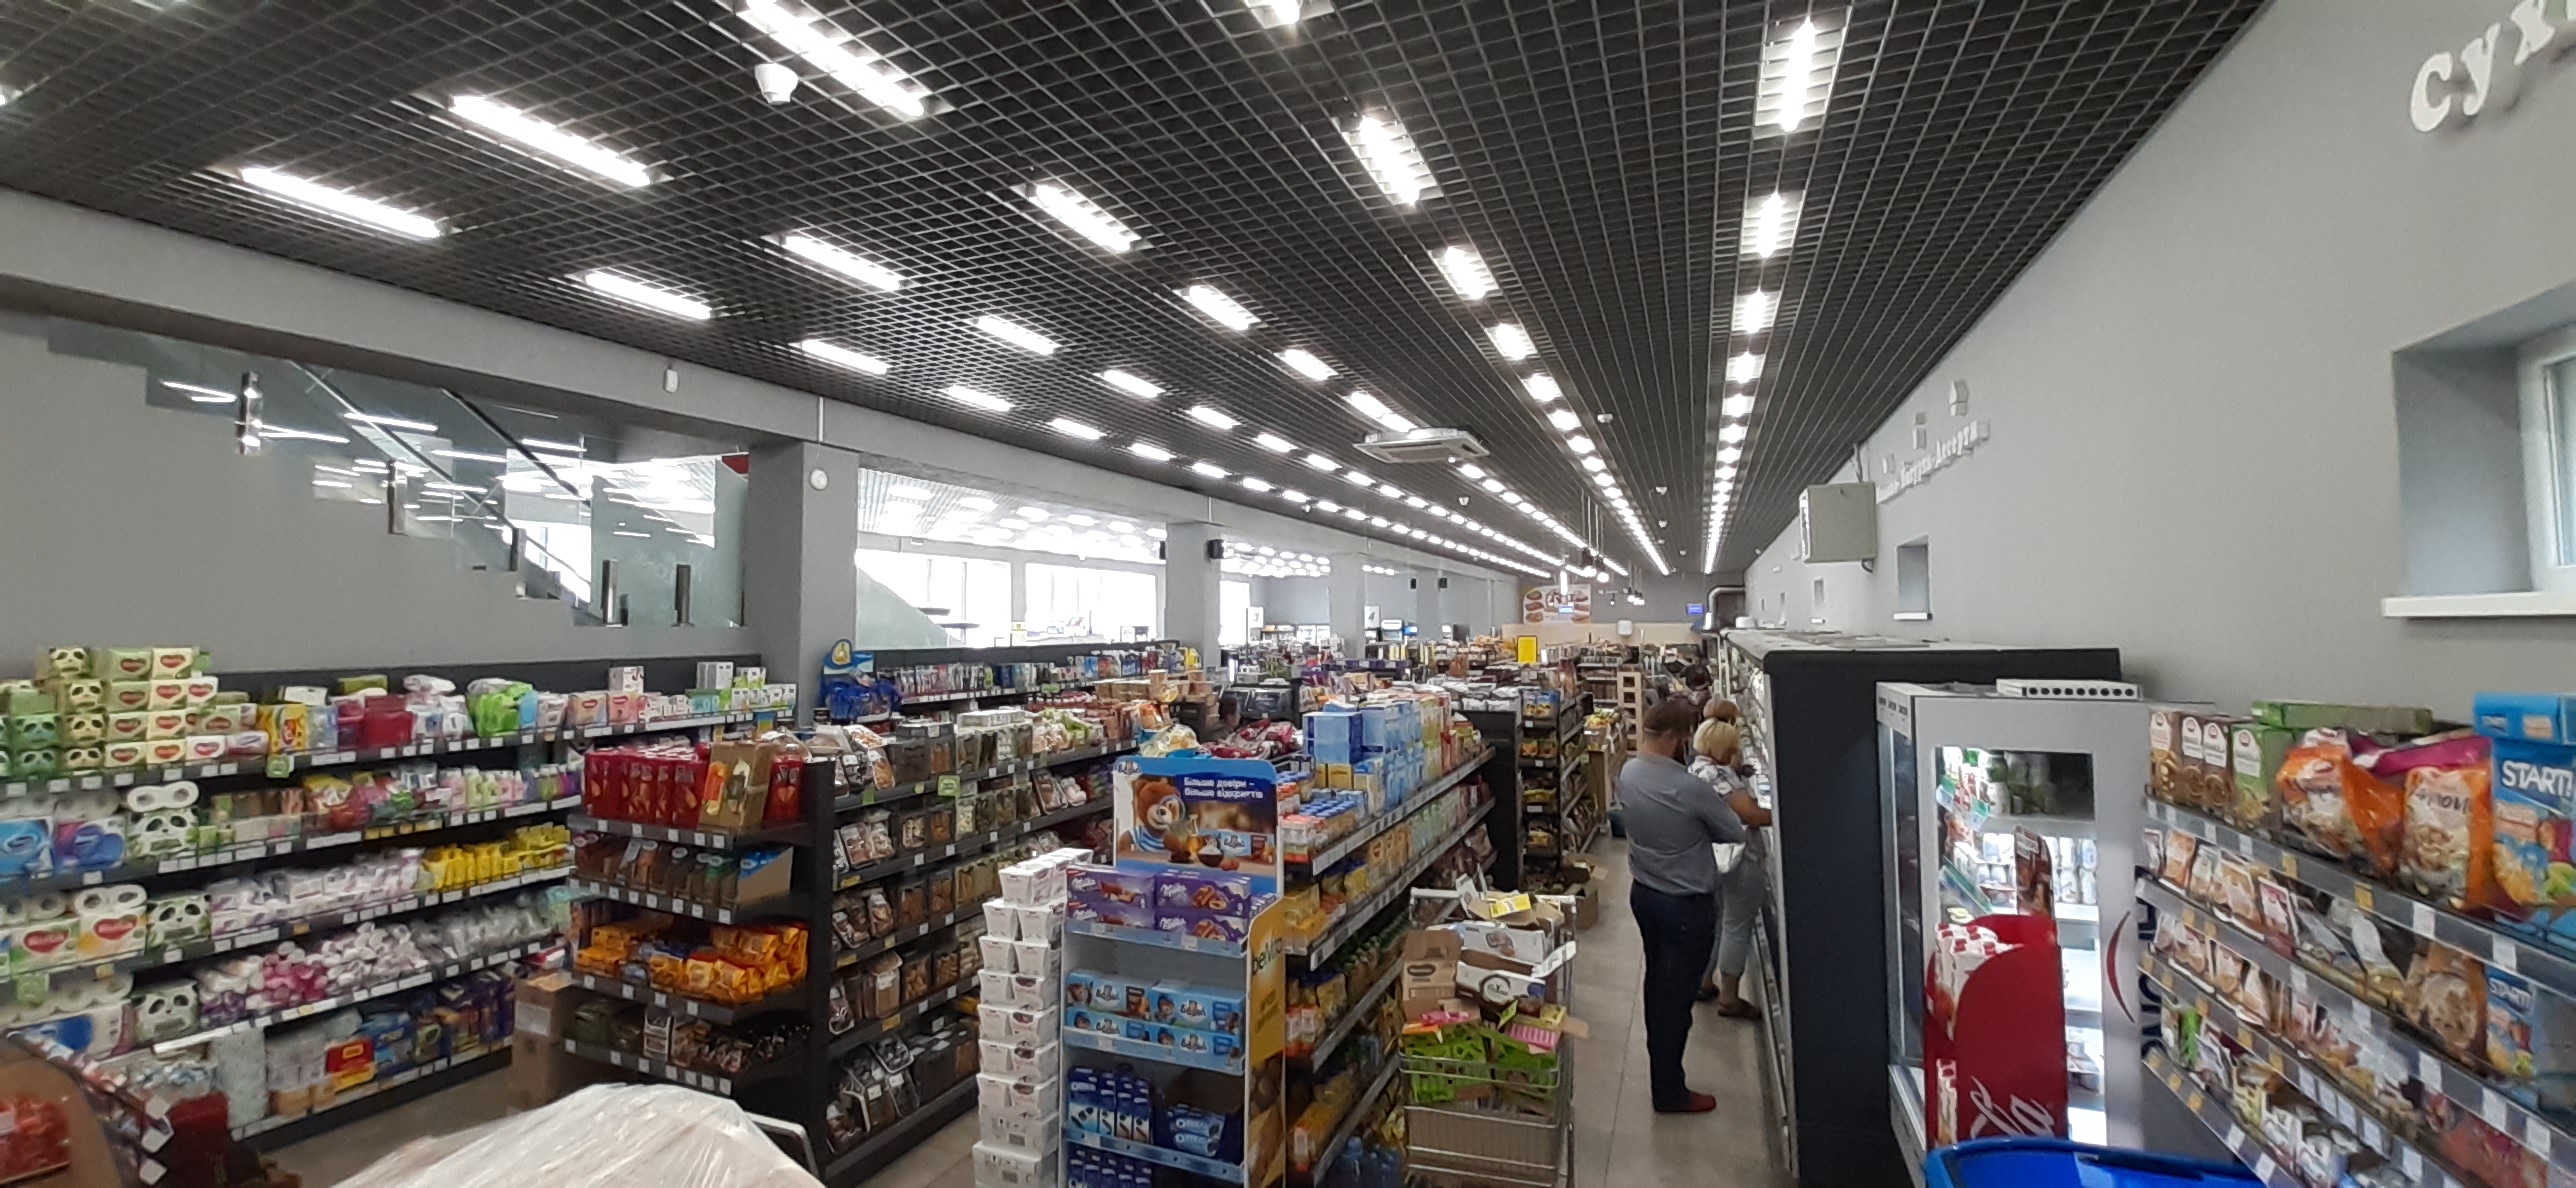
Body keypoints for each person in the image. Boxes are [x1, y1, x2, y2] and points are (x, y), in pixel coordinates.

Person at [1616, 697, 1747, 1115]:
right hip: (1685, 905)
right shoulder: (1689, 787)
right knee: (1677, 1000)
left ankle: (1662, 1071)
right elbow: (1734, 831)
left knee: (1658, 986)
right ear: (1675, 739)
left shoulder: (1628, 773)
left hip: (1645, 894)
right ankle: (1669, 1090)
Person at [1689, 719, 1772, 1016]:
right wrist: (1781, 812)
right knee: (1737, 924)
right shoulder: (1719, 775)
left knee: (1717, 918)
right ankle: (1730, 997)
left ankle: (1703, 981)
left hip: (1712, 856)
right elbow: (1751, 815)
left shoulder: (1695, 770)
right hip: (1739, 857)